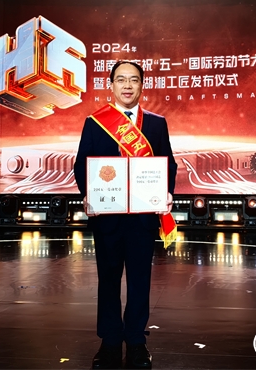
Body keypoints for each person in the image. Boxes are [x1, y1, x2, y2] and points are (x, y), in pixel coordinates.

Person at [73, 60, 178, 369]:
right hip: (107, 216)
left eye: (134, 79)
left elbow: (168, 163)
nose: (128, 85)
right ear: (111, 85)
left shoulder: (157, 124)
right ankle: (109, 342)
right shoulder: (95, 122)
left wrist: (167, 192)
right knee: (108, 280)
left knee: (139, 280)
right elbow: (82, 164)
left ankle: (135, 342)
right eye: (121, 80)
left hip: (142, 217)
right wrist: (88, 193)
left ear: (142, 85)